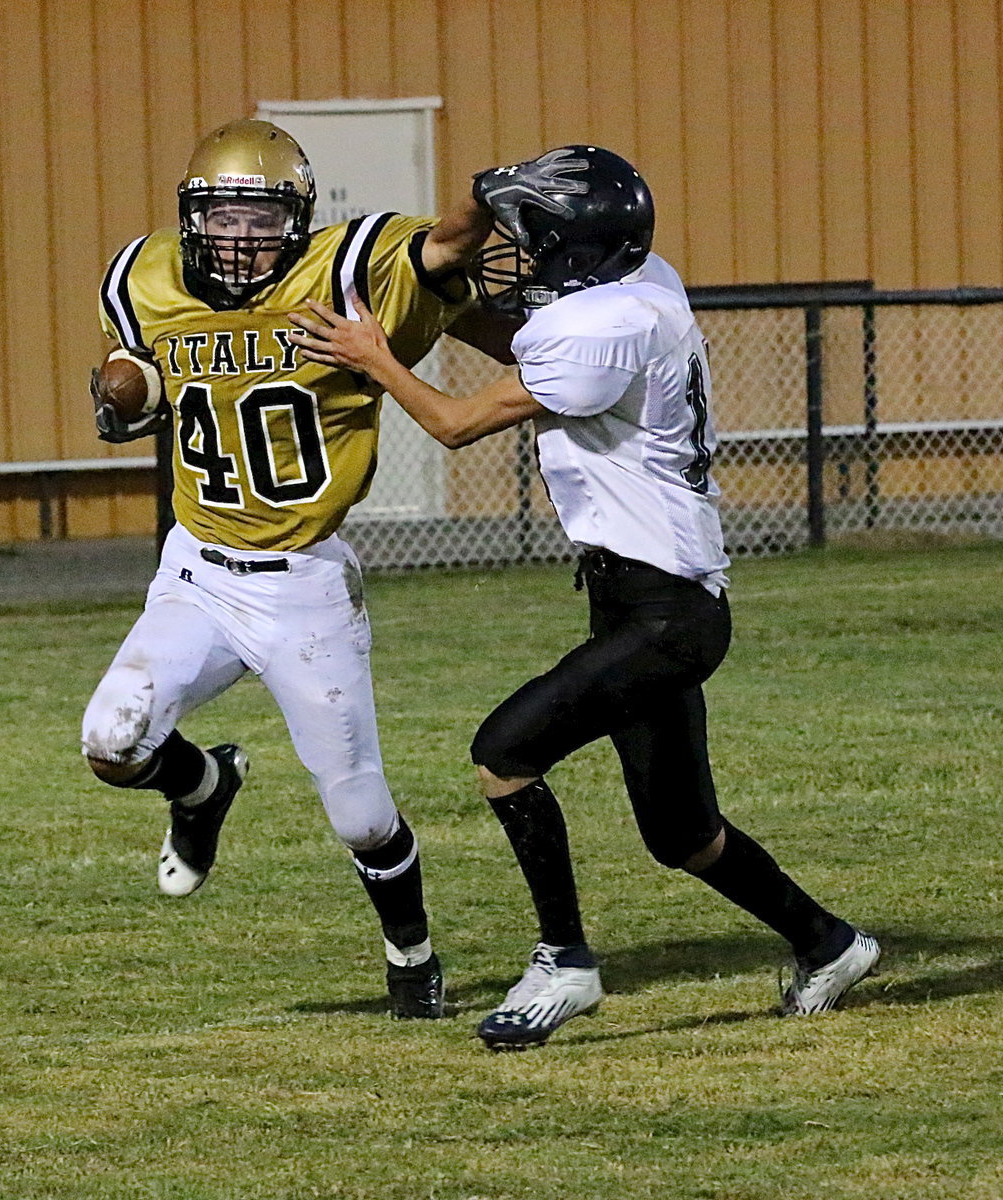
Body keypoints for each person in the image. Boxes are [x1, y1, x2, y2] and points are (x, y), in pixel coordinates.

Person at [287, 145, 880, 1048]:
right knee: (683, 836)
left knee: (503, 753)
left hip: (663, 614)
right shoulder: (639, 287)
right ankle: (827, 943)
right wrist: (430, 306)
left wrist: (374, 358)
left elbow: (451, 425)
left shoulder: (596, 328)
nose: (513, 259)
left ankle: (562, 960)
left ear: (576, 251)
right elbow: (517, 346)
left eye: (530, 240)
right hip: (652, 597)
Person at [81, 118, 491, 1019]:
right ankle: (203, 786)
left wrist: (495, 191)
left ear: (298, 220)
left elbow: (447, 244)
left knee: (360, 817)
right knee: (111, 741)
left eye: (260, 218)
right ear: (190, 217)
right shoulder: (139, 275)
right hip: (197, 568)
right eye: (220, 215)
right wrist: (122, 393)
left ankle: (412, 957)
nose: (238, 236)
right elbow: (134, 368)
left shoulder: (345, 269)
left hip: (303, 579)